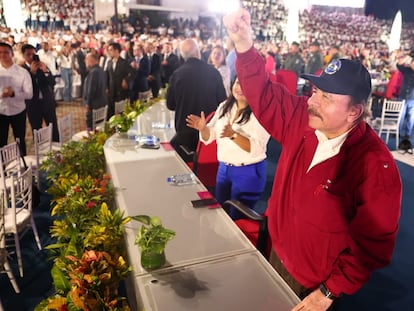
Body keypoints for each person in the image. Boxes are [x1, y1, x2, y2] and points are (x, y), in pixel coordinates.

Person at [223, 9, 401, 311]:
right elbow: (264, 94)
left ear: (354, 112)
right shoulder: (301, 118)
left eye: (327, 97)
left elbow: (374, 245)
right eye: (316, 90)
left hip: (313, 283)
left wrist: (329, 292)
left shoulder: (374, 165)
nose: (312, 100)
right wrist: (243, 44)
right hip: (275, 251)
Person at [186, 78, 270, 219]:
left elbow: (257, 148)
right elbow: (210, 135)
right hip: (224, 169)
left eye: (245, 84)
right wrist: (203, 128)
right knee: (221, 214)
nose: (240, 87)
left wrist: (233, 135)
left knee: (238, 219)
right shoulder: (225, 106)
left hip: (248, 171)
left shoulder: (262, 112)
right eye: (238, 83)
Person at [166, 39, 227, 162]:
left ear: (182, 56)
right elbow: (223, 102)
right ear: (198, 52)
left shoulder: (177, 74)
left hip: (184, 133)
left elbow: (170, 104)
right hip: (208, 131)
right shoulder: (213, 73)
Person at [21, 44, 59, 142]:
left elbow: (52, 82)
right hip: (33, 105)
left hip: (47, 102)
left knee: (53, 128)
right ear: (23, 56)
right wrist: (31, 73)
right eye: (28, 55)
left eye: (33, 54)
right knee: (36, 129)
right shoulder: (22, 70)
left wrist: (45, 71)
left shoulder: (41, 65)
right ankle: (40, 153)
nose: (31, 57)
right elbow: (25, 88)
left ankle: (57, 151)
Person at [0, 42, 33, 155]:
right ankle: (2, 169)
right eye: (0, 52)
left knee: (20, 140)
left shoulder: (22, 72)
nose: (3, 55)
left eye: (5, 52)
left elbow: (29, 94)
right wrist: (2, 94)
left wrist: (14, 94)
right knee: (1, 142)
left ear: (12, 54)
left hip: (18, 111)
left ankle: (23, 167)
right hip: (1, 111)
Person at [106, 42, 134, 119]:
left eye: (111, 50)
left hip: (121, 90)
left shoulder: (124, 62)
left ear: (116, 51)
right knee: (111, 112)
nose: (109, 52)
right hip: (111, 90)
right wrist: (106, 87)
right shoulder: (109, 62)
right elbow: (107, 75)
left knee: (121, 111)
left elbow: (131, 73)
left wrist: (125, 80)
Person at [83, 52, 108, 130]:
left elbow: (91, 90)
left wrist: (88, 103)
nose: (85, 61)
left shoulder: (93, 72)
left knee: (91, 127)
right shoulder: (101, 70)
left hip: (94, 104)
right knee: (100, 124)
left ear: (92, 60)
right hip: (102, 102)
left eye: (86, 59)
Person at [396, 54, 414, 143]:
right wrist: (406, 57)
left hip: (412, 99)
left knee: (411, 118)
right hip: (402, 97)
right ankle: (398, 132)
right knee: (400, 116)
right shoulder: (406, 70)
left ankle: (408, 134)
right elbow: (398, 65)